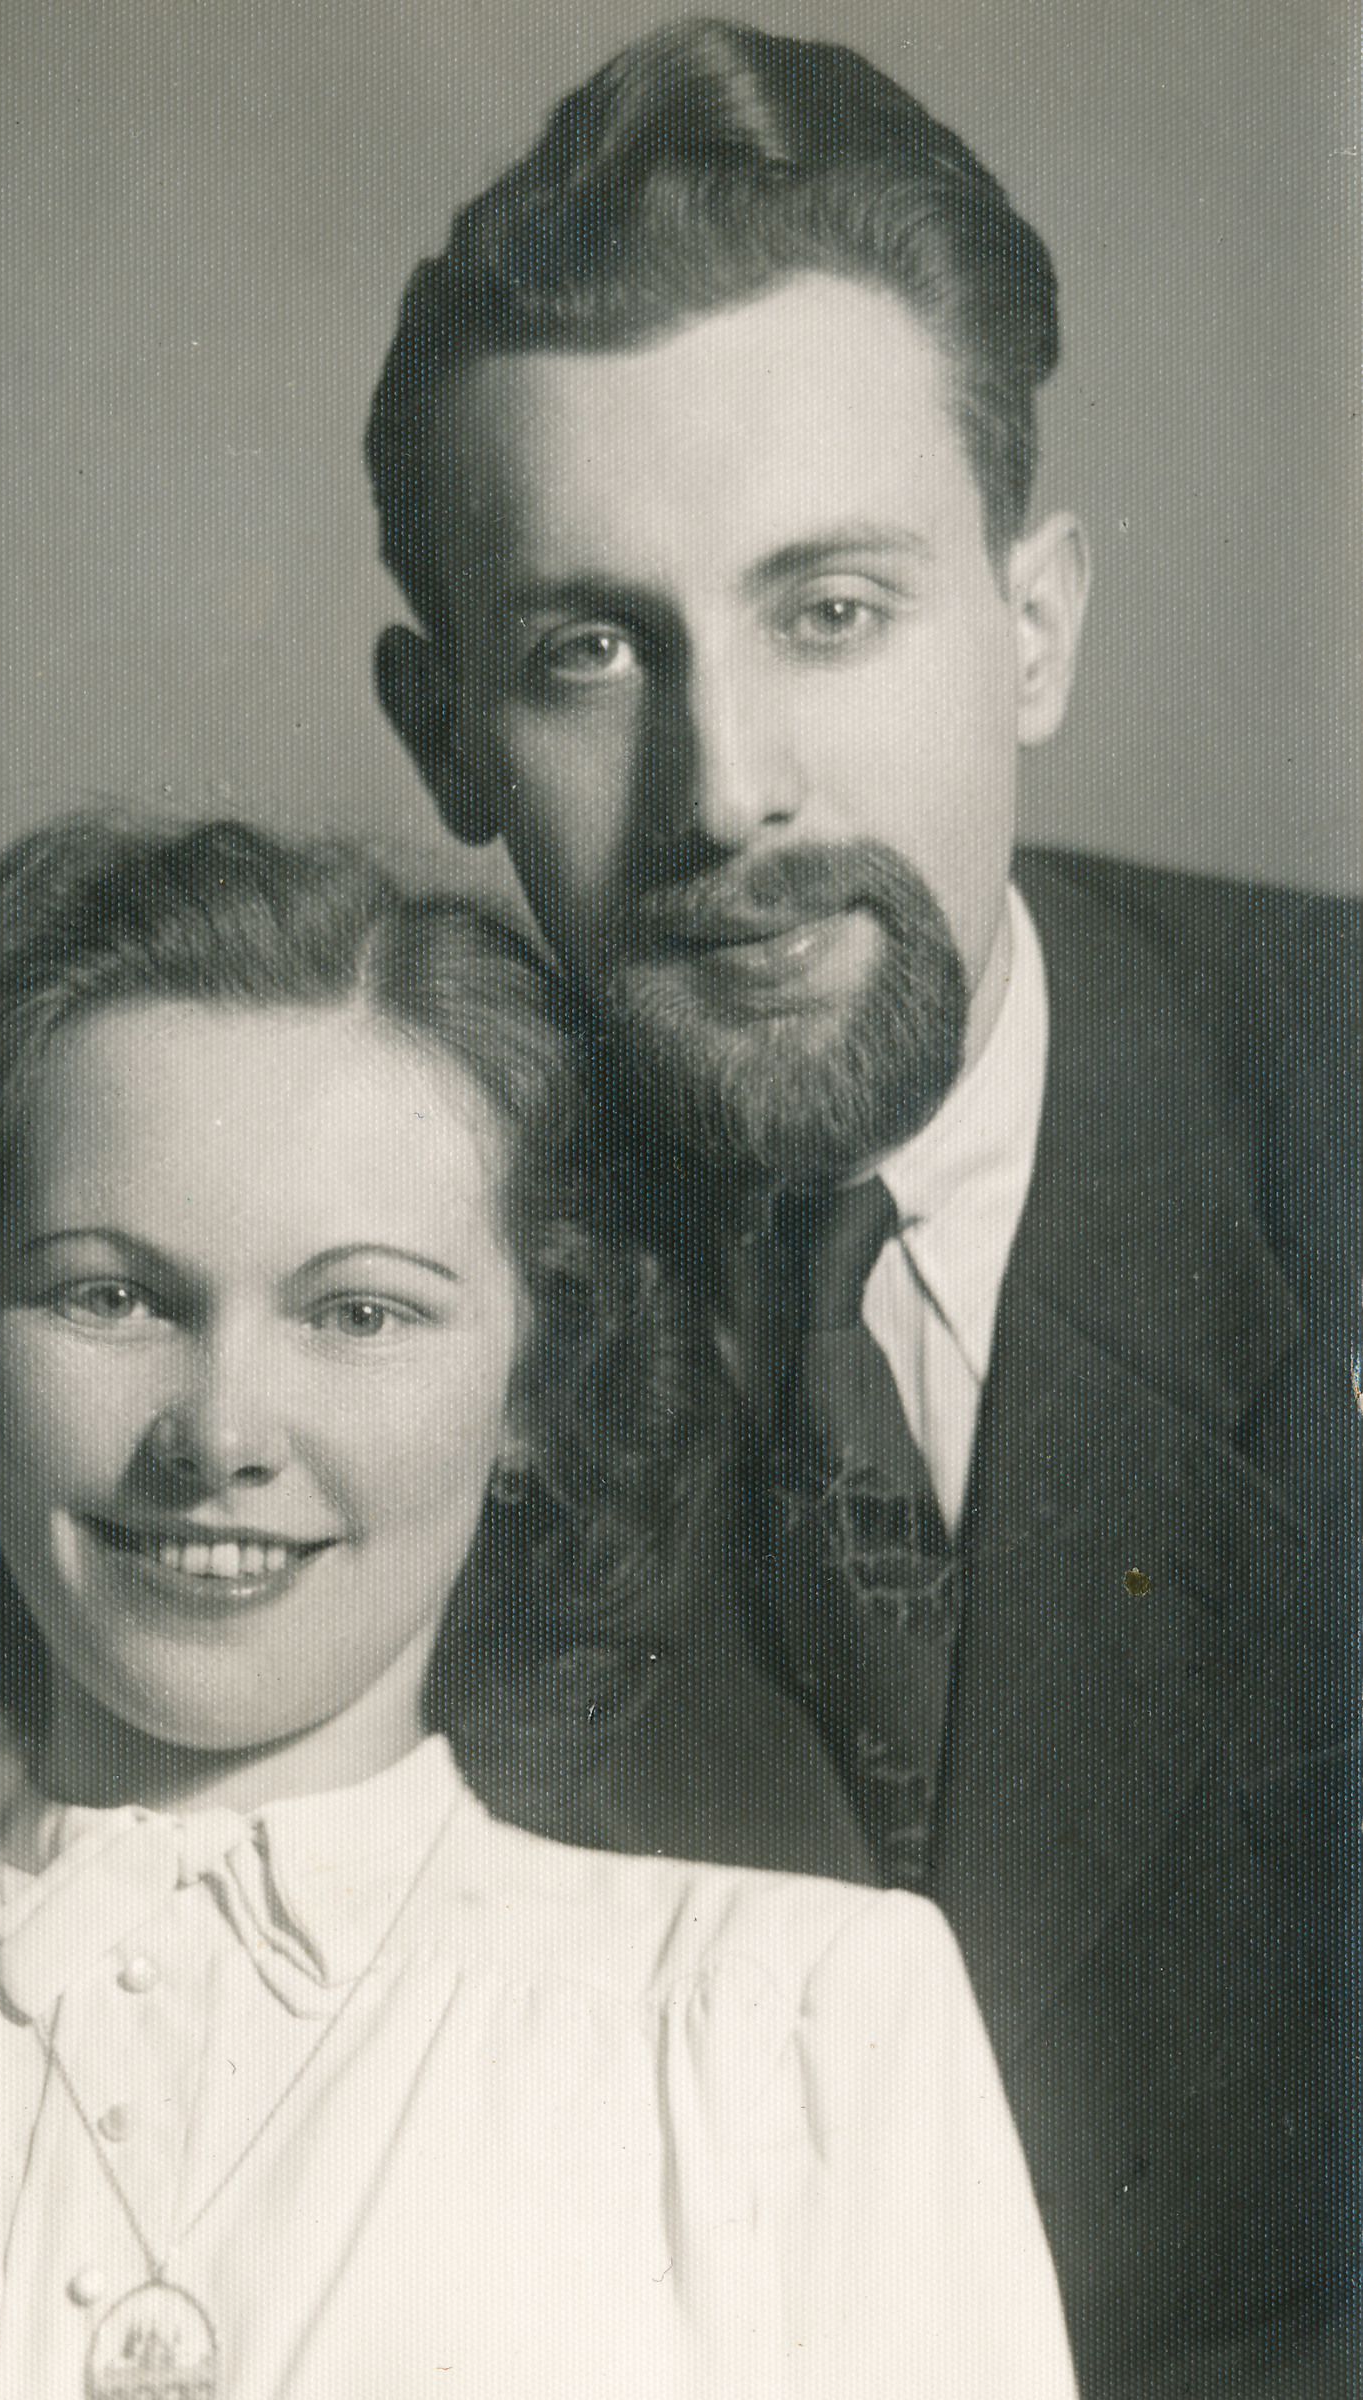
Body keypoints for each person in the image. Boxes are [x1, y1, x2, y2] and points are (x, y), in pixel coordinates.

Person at [366, 20, 1360, 2397]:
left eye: (829, 610)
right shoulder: (348, 1297)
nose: (729, 789)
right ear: (445, 732)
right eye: (591, 649)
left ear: (1034, 627)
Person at [0, 814, 1075, 2398]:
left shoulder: (786, 2025)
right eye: (111, 1295)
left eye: (358, 1312)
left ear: (535, 1388)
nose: (220, 1434)